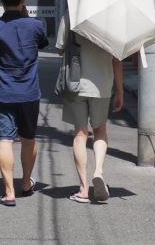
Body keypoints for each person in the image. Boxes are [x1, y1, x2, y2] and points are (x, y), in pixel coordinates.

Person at [0, 0, 48, 207]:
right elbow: (42, 44)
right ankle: (26, 183)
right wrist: (25, 15)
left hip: (4, 92)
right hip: (29, 92)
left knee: (5, 140)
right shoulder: (36, 25)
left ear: (1, 0)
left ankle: (9, 192)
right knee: (29, 139)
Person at [56, 13, 124, 203]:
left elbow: (59, 49)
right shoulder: (112, 17)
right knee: (100, 130)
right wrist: (120, 91)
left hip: (75, 84)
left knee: (80, 134)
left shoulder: (71, 14)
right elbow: (117, 60)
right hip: (102, 85)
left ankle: (84, 189)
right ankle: (99, 172)